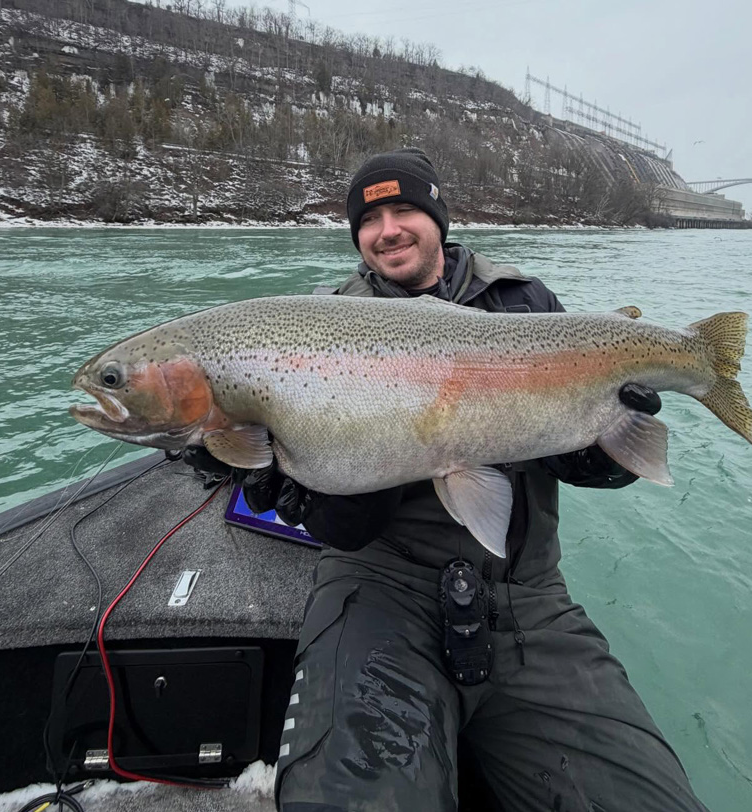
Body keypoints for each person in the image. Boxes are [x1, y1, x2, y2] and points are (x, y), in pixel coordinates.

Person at [185, 148, 709, 812]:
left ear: (439, 217)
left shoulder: (524, 303)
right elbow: (339, 528)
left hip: (527, 595)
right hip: (378, 585)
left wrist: (604, 443)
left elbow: (581, 466)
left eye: (405, 209)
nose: (388, 230)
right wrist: (280, 473)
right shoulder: (323, 324)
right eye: (369, 219)